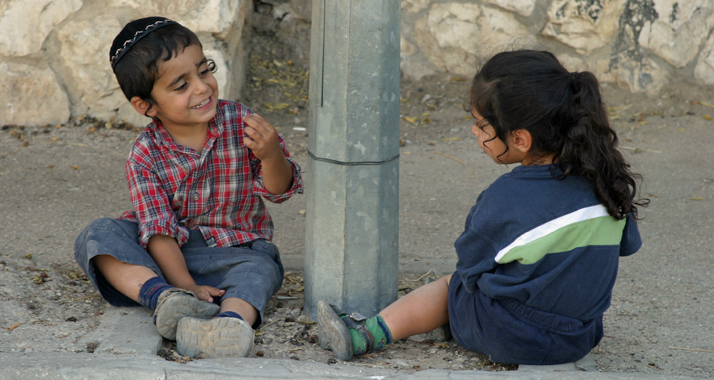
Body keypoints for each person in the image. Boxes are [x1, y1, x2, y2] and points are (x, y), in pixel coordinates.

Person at [318, 49, 648, 365]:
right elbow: (626, 246)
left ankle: (366, 334)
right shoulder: (608, 184)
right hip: (578, 338)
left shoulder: (506, 197)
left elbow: (471, 266)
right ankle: (452, 323)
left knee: (452, 286)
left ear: (520, 139)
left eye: (481, 125)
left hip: (510, 336)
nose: (474, 133)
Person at [74, 17, 302, 359]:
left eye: (204, 70)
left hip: (238, 250)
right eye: (181, 85)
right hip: (164, 255)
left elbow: (279, 190)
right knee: (98, 235)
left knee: (262, 269)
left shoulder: (241, 121)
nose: (202, 87)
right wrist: (184, 285)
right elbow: (158, 230)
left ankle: (229, 324)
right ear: (146, 106)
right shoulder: (145, 154)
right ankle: (164, 298)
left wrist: (270, 156)